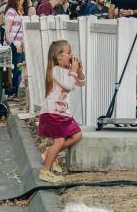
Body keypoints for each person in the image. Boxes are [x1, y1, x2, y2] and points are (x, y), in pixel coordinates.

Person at [36, 39, 85, 184]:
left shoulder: (66, 71)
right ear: (59, 56)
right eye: (68, 53)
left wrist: (79, 71)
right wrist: (73, 72)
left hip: (62, 113)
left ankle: (50, 153)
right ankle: (45, 171)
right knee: (59, 141)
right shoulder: (56, 71)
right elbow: (69, 86)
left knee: (77, 135)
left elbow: (81, 83)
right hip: (54, 112)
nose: (71, 56)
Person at [2, 0, 26, 98]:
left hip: (19, 44)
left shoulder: (16, 11)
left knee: (19, 69)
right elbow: (8, 31)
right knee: (15, 69)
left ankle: (16, 92)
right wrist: (17, 45)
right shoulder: (11, 11)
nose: (22, 0)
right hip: (13, 45)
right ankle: (13, 92)